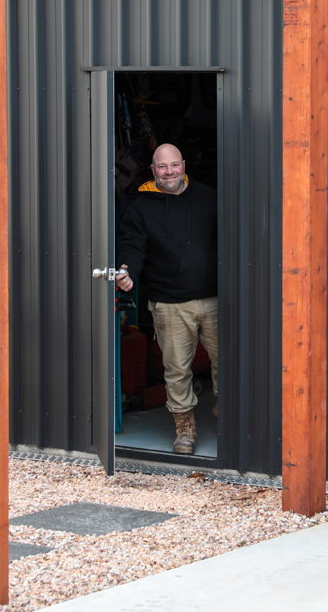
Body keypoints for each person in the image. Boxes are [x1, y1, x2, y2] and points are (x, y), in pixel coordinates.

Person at [115, 143, 218, 455]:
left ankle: (229, 412)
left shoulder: (208, 197)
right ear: (153, 170)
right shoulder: (141, 206)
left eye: (174, 165)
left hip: (215, 298)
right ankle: (185, 428)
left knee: (230, 362)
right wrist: (126, 270)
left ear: (183, 164)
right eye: (162, 167)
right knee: (176, 370)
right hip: (170, 303)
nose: (169, 172)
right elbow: (133, 244)